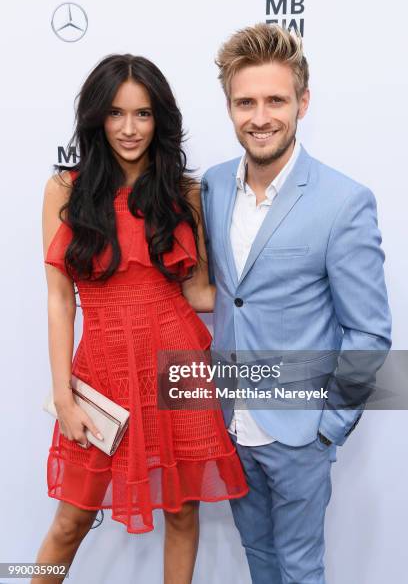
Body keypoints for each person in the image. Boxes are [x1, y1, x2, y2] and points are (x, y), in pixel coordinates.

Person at [34, 54, 248, 584]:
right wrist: (63, 394)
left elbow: (199, 292)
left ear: (160, 120)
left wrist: (283, 294)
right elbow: (60, 300)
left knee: (182, 510)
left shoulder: (186, 193)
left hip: (178, 366)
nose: (129, 129)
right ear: (96, 119)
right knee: (70, 521)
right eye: (115, 114)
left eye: (143, 114)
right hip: (101, 372)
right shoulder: (64, 190)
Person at [200, 23, 392, 583]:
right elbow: (228, 296)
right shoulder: (210, 188)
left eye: (275, 100)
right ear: (230, 107)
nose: (260, 117)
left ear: (302, 102)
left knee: (302, 570)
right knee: (258, 562)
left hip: (300, 431)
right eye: (245, 102)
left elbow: (370, 333)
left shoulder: (344, 201)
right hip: (230, 422)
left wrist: (329, 426)